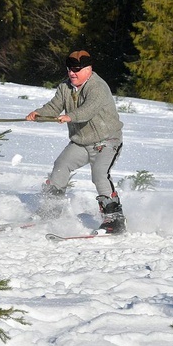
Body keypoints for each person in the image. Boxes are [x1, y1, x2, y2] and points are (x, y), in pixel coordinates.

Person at [25, 50, 126, 234]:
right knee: (61, 166)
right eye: (70, 69)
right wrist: (39, 114)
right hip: (81, 143)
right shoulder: (65, 87)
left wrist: (70, 117)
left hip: (107, 141)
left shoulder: (97, 87)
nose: (72, 73)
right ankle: (50, 211)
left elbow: (88, 110)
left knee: (99, 174)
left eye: (77, 69)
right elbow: (54, 106)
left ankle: (114, 219)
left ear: (89, 68)